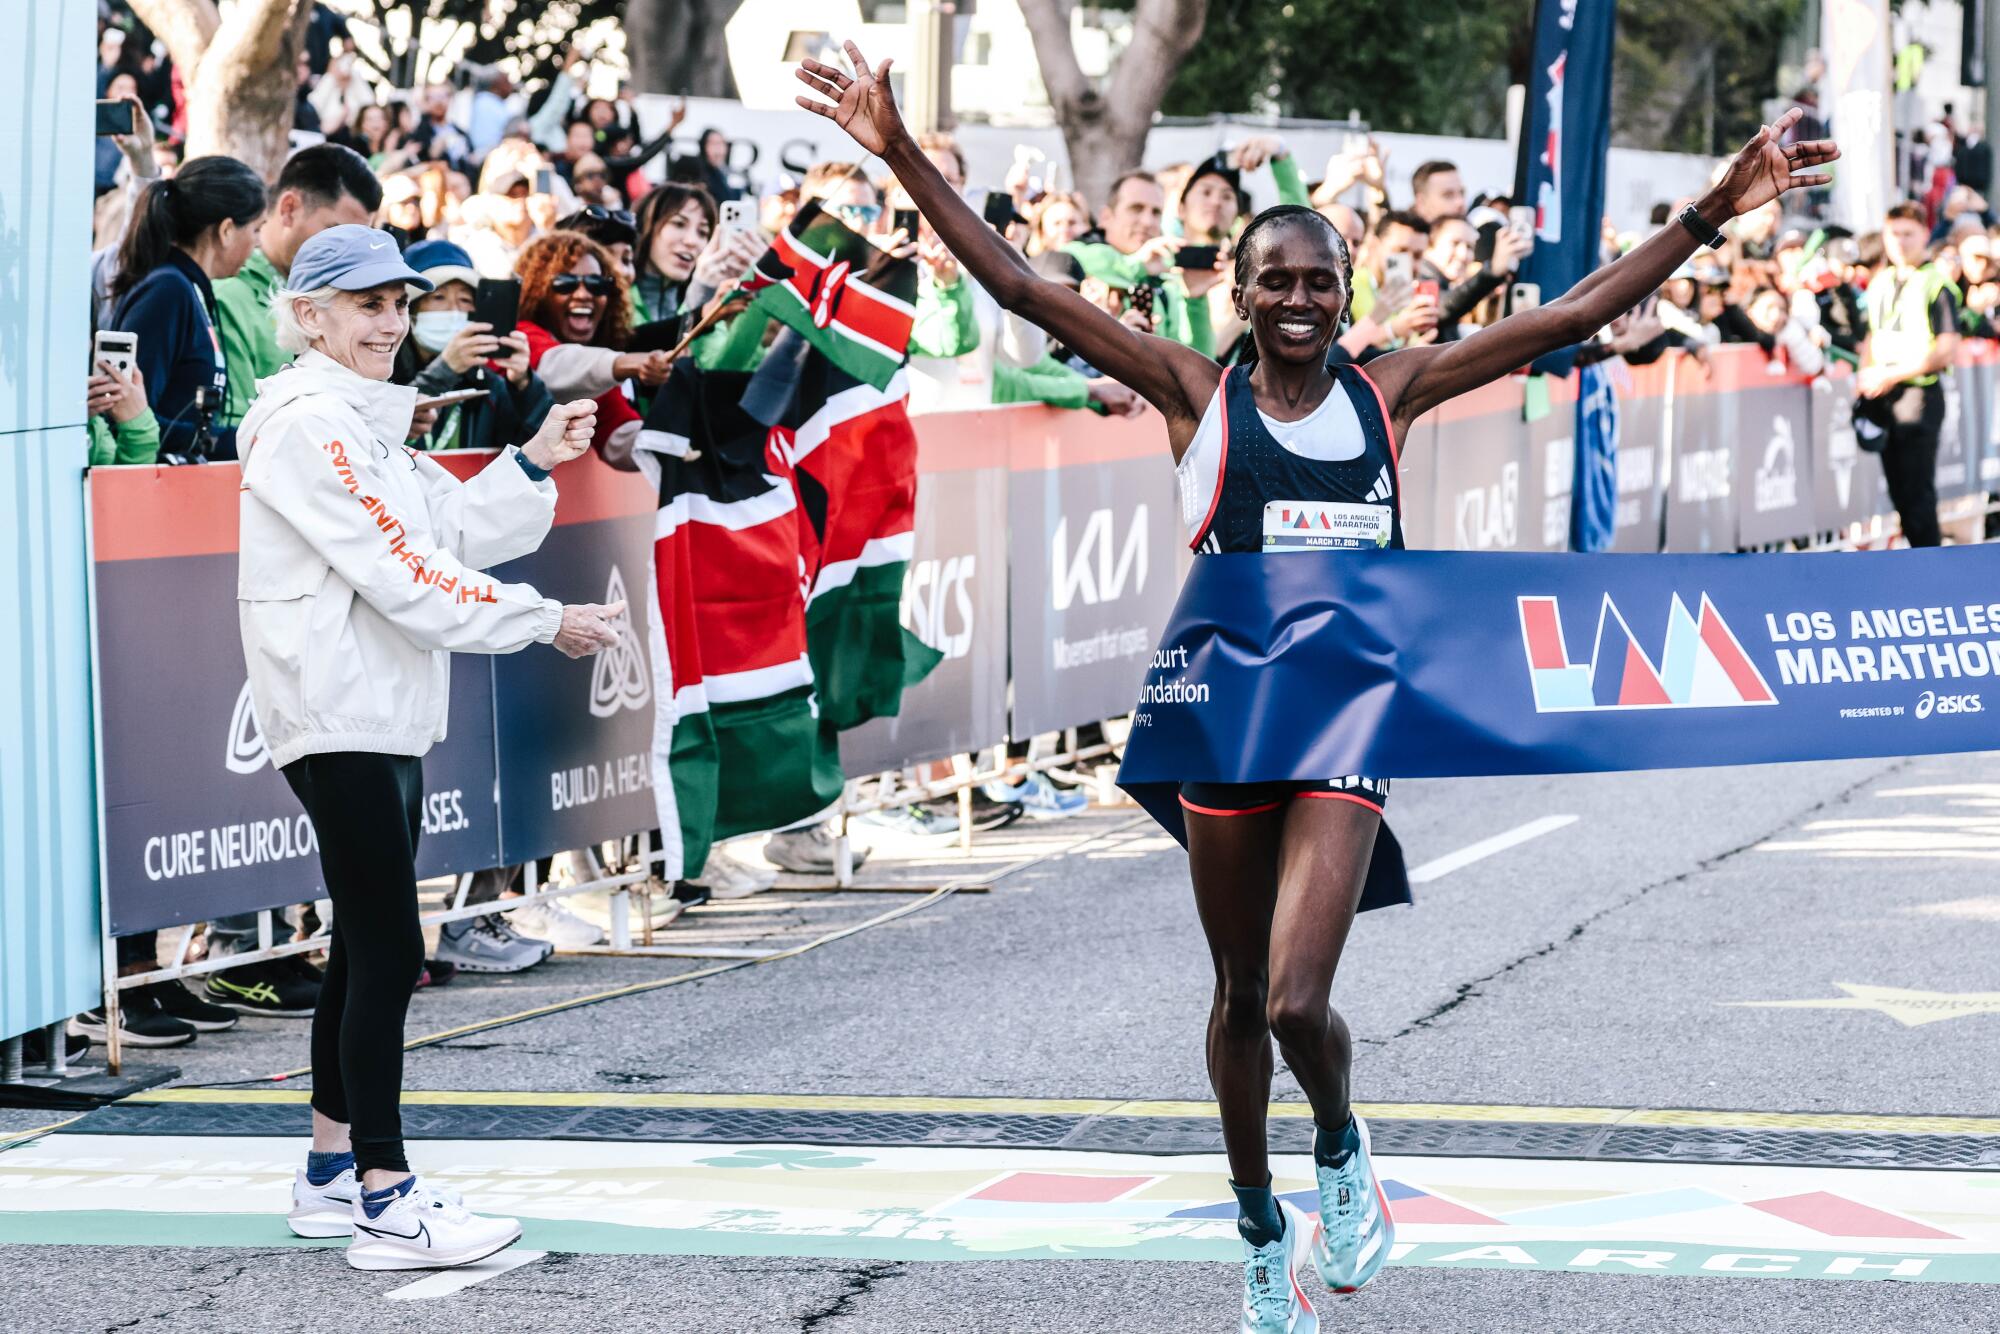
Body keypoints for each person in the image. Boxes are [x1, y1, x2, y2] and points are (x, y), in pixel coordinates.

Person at [795, 42, 1835, 1329]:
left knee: (1295, 995)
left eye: (1320, 281)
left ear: (1348, 295)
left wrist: (1708, 211)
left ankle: (1341, 1153)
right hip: (1223, 710)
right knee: (1235, 997)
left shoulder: (1385, 393)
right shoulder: (1192, 395)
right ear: (1235, 293)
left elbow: (1562, 321)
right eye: (1274, 278)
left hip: (1345, 712)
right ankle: (1254, 1231)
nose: (1298, 298)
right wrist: (894, 147)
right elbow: (1015, 283)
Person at [239, 223, 624, 1269]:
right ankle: (386, 1195)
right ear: (308, 315)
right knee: (389, 947)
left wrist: (533, 458)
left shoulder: (359, 419)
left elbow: (441, 529)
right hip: (339, 706)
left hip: (371, 702)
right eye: (367, 305)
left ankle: (330, 1174)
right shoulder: (310, 424)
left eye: (397, 303)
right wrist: (543, 618)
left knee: (368, 947)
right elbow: (404, 570)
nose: (391, 321)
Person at [108, 155, 268, 460]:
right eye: (256, 230)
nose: (257, 243)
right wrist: (238, 441)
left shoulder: (186, 287)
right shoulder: (167, 291)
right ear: (226, 230)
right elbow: (127, 415)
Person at [1856, 202, 1961, 549]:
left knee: (1917, 494)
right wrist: (1866, 374)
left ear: (1925, 235)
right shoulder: (1881, 281)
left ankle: (1930, 573)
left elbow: (1946, 348)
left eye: (1908, 234)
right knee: (1899, 493)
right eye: (1894, 234)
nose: (1900, 241)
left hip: (1918, 394)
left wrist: (1893, 374)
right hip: (1884, 393)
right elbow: (1872, 334)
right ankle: (1917, 567)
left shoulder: (1936, 284)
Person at [1408, 159, 1466, 225]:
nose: (1460, 202)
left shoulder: (1474, 232)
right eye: (1448, 195)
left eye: (1462, 193)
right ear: (1421, 202)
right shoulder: (1399, 233)